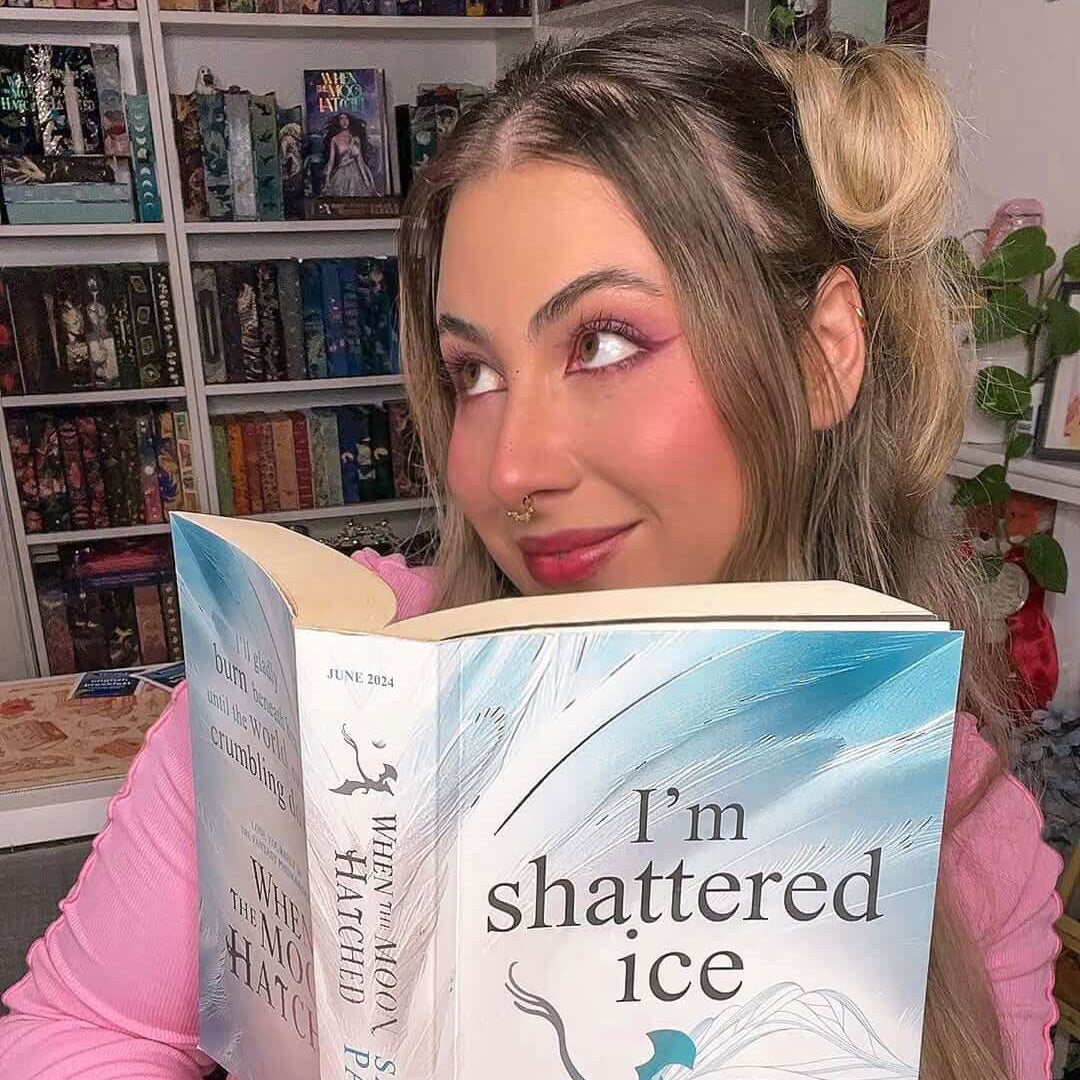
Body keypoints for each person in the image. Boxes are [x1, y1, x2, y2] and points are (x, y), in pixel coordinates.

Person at [0, 15, 1063, 1080]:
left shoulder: (963, 824)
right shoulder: (320, 689)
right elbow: (77, 1033)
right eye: (474, 374)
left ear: (823, 354)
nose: (509, 470)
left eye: (603, 342)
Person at [322, 112, 376, 197]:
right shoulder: (335, 139)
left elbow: (360, 161)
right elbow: (331, 161)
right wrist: (327, 179)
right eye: (341, 119)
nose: (344, 121)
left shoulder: (355, 138)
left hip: (355, 174)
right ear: (338, 122)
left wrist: (366, 180)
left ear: (350, 121)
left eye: (346, 118)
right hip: (341, 173)